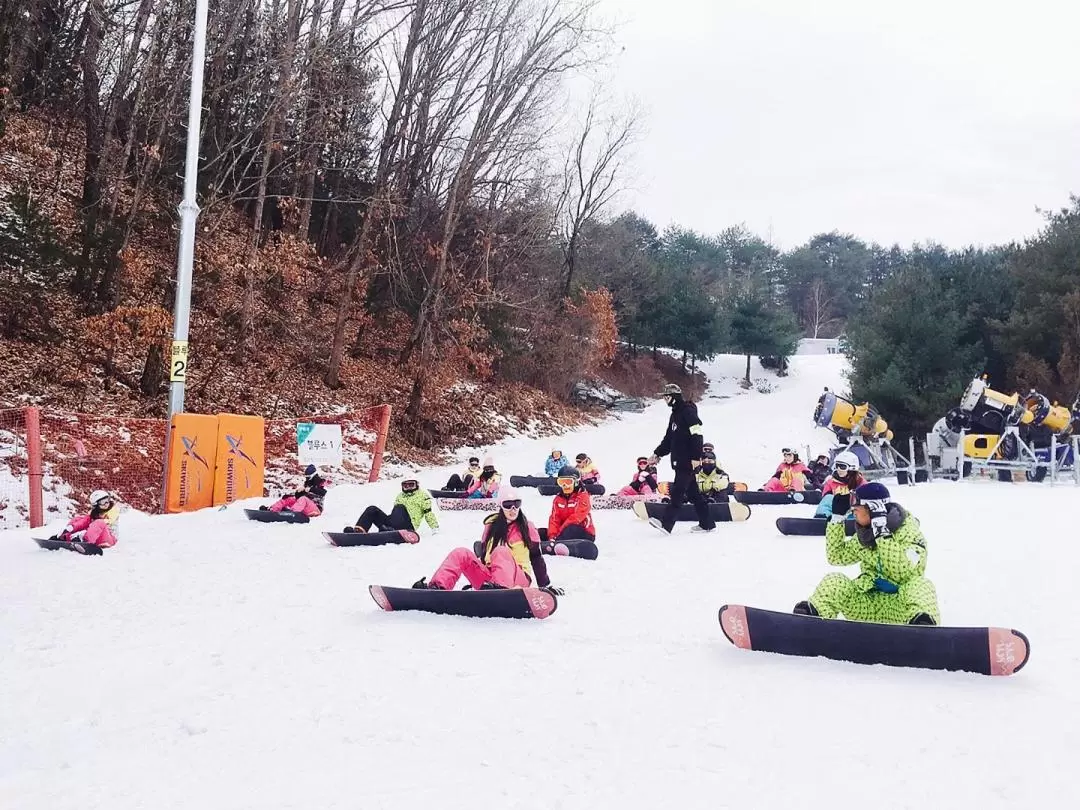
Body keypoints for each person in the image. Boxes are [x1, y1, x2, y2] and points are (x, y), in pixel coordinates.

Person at [794, 482, 940, 625]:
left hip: (901, 607)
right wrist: (837, 519)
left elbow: (904, 572)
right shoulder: (865, 535)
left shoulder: (910, 533)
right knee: (835, 580)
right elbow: (836, 556)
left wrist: (881, 534)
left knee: (921, 585)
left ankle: (922, 626)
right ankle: (812, 619)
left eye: (857, 509)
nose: (853, 513)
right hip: (867, 606)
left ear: (873, 510)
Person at [413, 490, 562, 593]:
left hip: (518, 578)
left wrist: (545, 586)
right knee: (460, 553)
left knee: (501, 551)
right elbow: (484, 557)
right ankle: (438, 588)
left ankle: (501, 590)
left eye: (517, 504)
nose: (513, 508)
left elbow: (536, 557)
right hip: (489, 581)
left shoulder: (527, 526)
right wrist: (476, 581)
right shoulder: (491, 526)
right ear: (500, 506)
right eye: (508, 505)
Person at [648, 383, 715, 533]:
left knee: (677, 492)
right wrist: (657, 454)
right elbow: (669, 439)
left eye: (667, 396)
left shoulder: (688, 411)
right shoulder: (674, 415)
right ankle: (707, 523)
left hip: (687, 460)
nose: (665, 399)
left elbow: (697, 434)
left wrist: (696, 456)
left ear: (674, 397)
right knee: (694, 494)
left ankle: (666, 524)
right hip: (679, 460)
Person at [346, 478, 439, 534]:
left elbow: (428, 513)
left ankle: (390, 529)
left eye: (411, 485)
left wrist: (435, 528)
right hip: (394, 523)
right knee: (372, 509)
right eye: (405, 486)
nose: (408, 488)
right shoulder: (400, 496)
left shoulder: (423, 496)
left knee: (400, 507)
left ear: (417, 485)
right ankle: (359, 531)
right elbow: (395, 514)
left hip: (409, 525)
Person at [50, 490, 120, 548]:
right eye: (102, 502)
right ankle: (64, 537)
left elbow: (109, 520)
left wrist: (93, 524)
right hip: (95, 537)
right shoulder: (94, 514)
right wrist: (71, 528)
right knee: (80, 518)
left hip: (109, 539)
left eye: (107, 500)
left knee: (99, 522)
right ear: (96, 505)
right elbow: (85, 522)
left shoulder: (113, 510)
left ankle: (86, 542)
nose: (106, 504)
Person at [547, 466, 595, 544]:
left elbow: (576, 518)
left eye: (568, 482)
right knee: (544, 532)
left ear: (576, 482)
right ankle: (537, 543)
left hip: (585, 533)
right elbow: (554, 519)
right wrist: (552, 535)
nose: (565, 486)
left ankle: (557, 543)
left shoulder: (582, 496)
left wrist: (559, 533)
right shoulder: (558, 499)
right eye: (562, 482)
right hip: (563, 533)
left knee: (571, 528)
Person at [814, 451, 868, 517]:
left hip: (854, 513)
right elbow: (825, 503)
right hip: (835, 514)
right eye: (837, 466)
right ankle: (821, 520)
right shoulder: (830, 483)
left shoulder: (861, 483)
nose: (838, 469)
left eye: (842, 466)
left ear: (852, 468)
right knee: (828, 498)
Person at [264, 464, 329, 517]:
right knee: (290, 498)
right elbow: (299, 499)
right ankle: (273, 509)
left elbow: (323, 492)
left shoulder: (320, 482)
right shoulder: (307, 484)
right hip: (305, 508)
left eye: (308, 477)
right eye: (306, 477)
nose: (307, 478)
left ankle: (292, 513)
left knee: (304, 498)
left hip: (316, 509)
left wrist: (310, 489)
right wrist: (297, 493)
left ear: (313, 475)